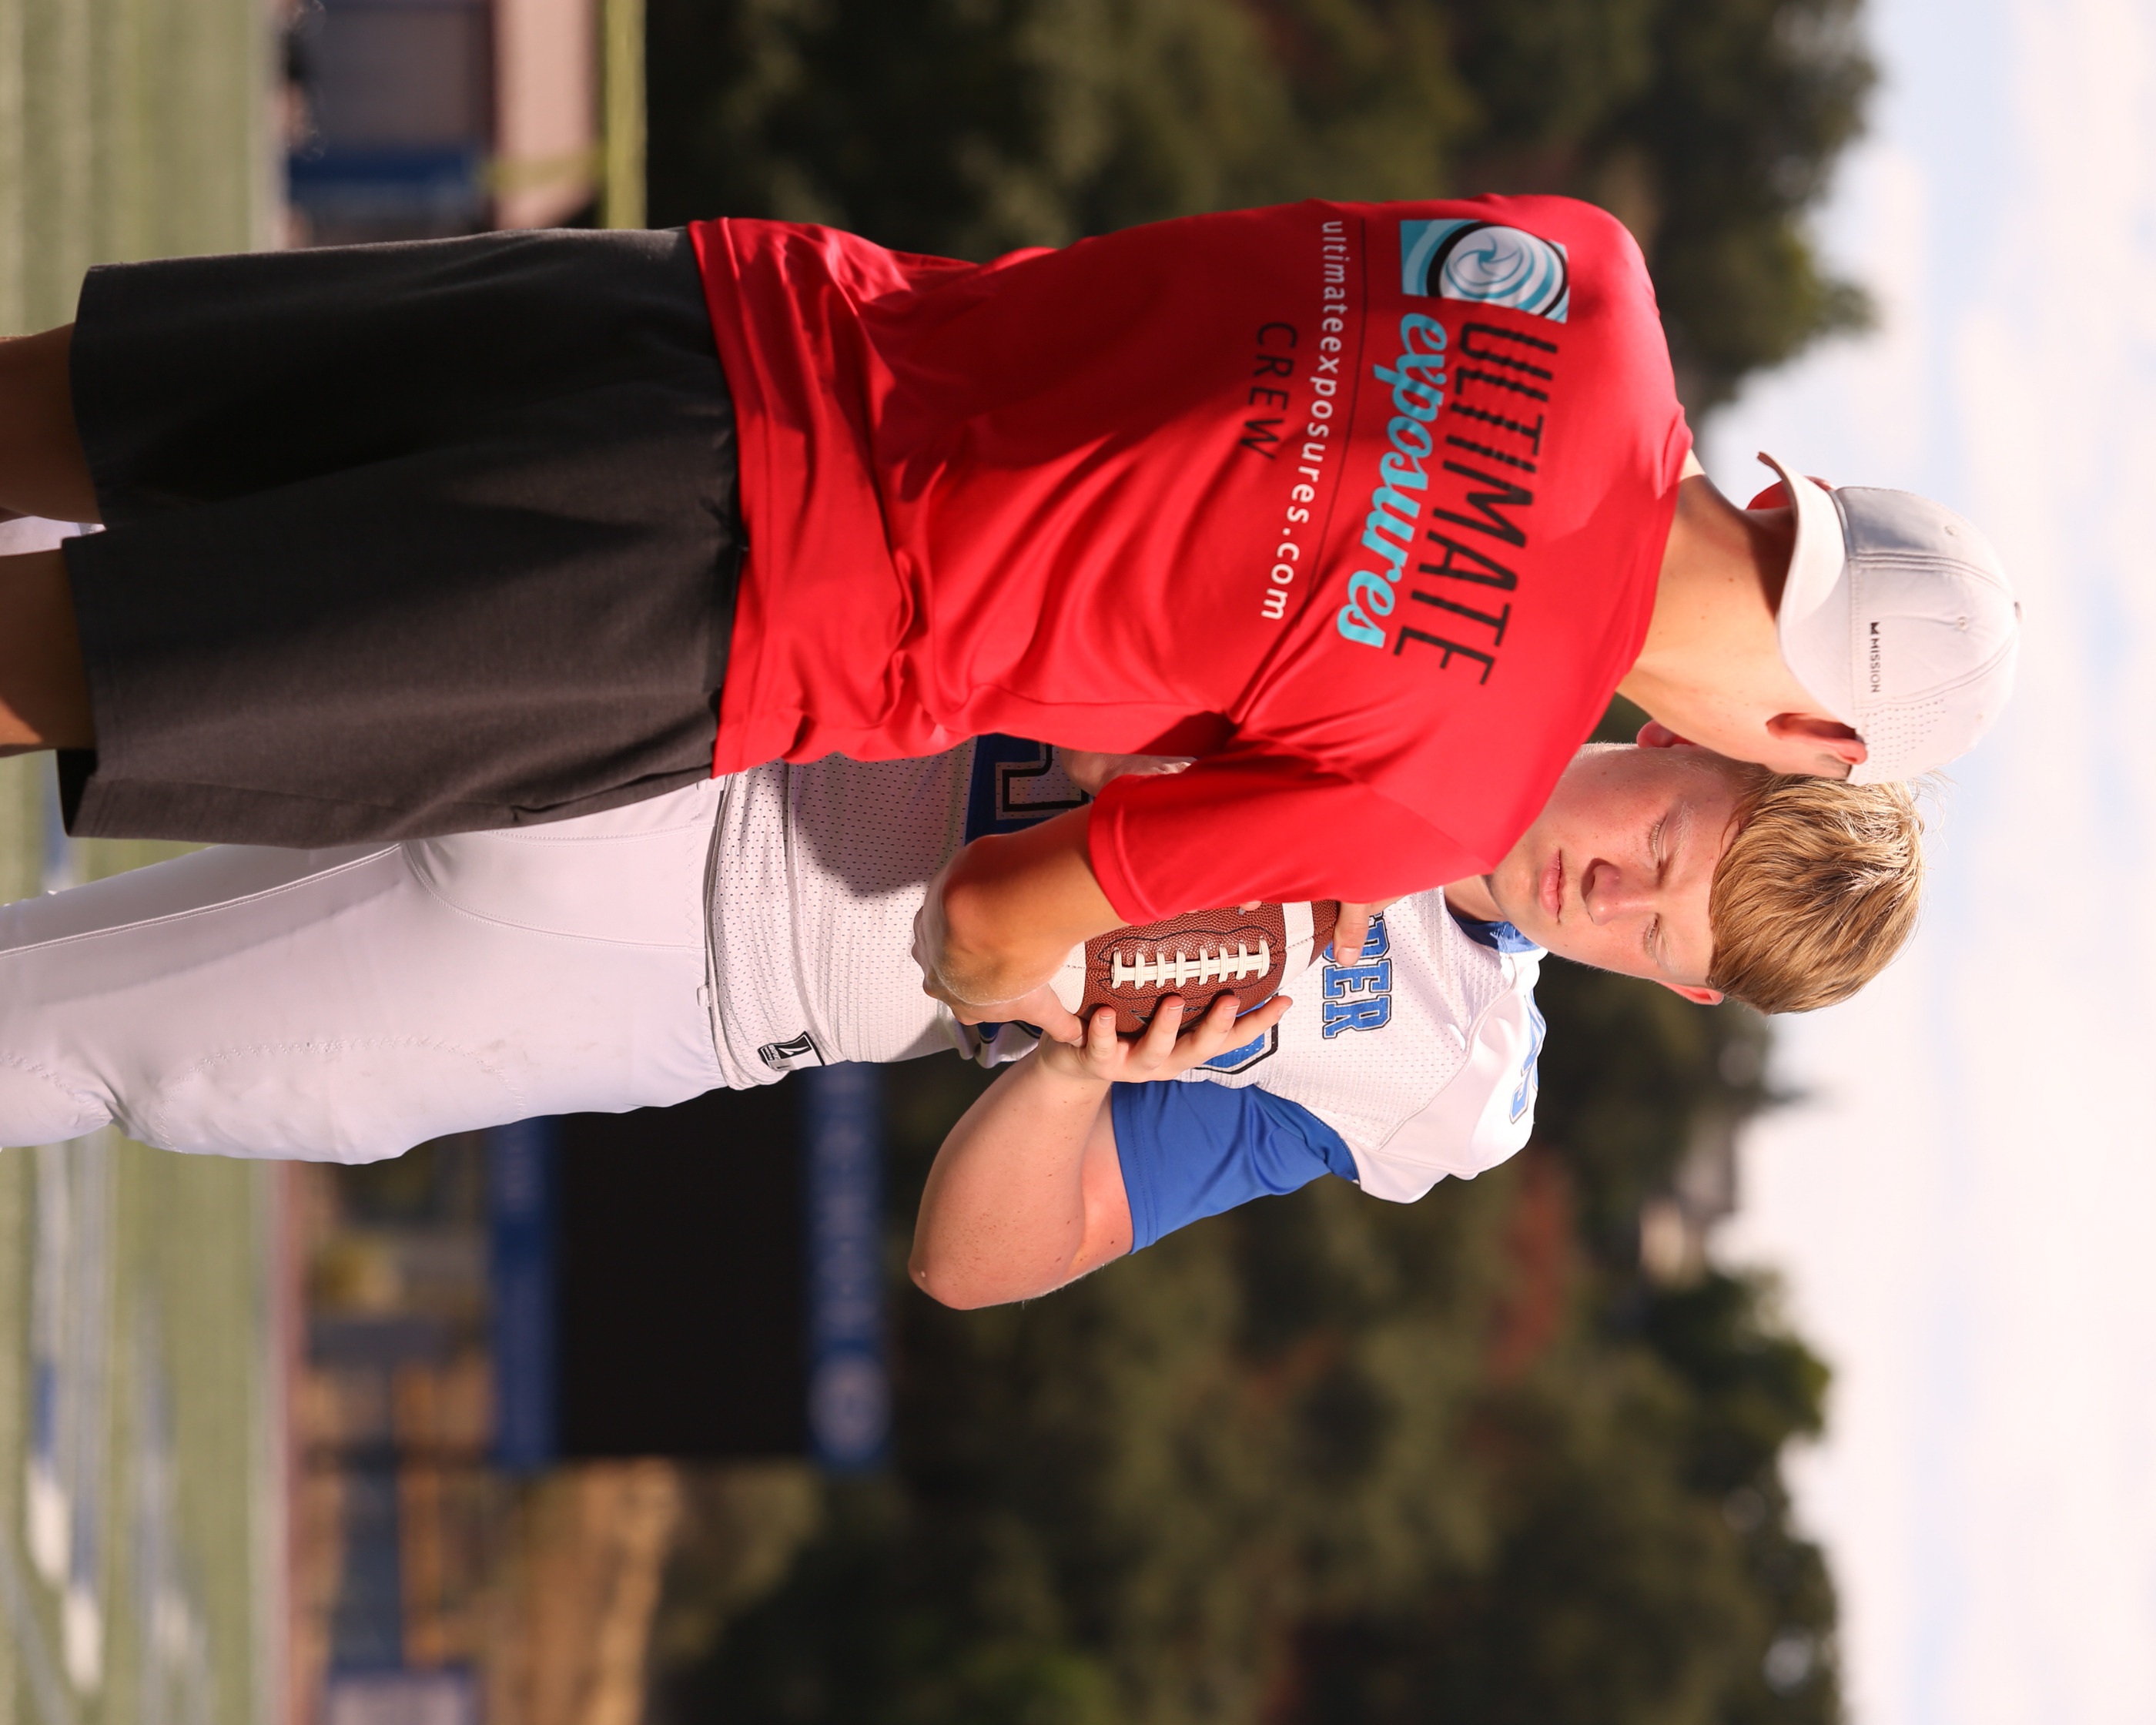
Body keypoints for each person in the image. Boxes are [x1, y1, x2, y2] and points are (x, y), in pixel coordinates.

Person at [0, 200, 2011, 1038]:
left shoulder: (1579, 272)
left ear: (1792, 502)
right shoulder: (1445, 801)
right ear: (1809, 745)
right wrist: (1056, 1007)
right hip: (723, 603)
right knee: (52, 664)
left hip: (725, 307)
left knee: (52, 412)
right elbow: (982, 922)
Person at [0, 737, 1916, 1185]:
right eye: (1665, 843)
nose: (1610, 887)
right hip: (706, 714)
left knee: (108, 1044)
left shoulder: (1447, 1074)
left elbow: (987, 1252)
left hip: (703, 985)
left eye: (1659, 928)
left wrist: (1084, 1064)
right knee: (130, 632)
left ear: (1681, 993)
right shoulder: (1459, 633)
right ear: (1688, 741)